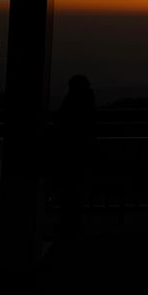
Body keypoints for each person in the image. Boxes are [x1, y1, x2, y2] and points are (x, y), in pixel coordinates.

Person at [55, 74, 97, 239]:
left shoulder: (73, 102)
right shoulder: (88, 102)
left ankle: (69, 223)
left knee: (69, 191)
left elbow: (63, 121)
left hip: (70, 154)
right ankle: (73, 223)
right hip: (80, 154)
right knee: (75, 191)